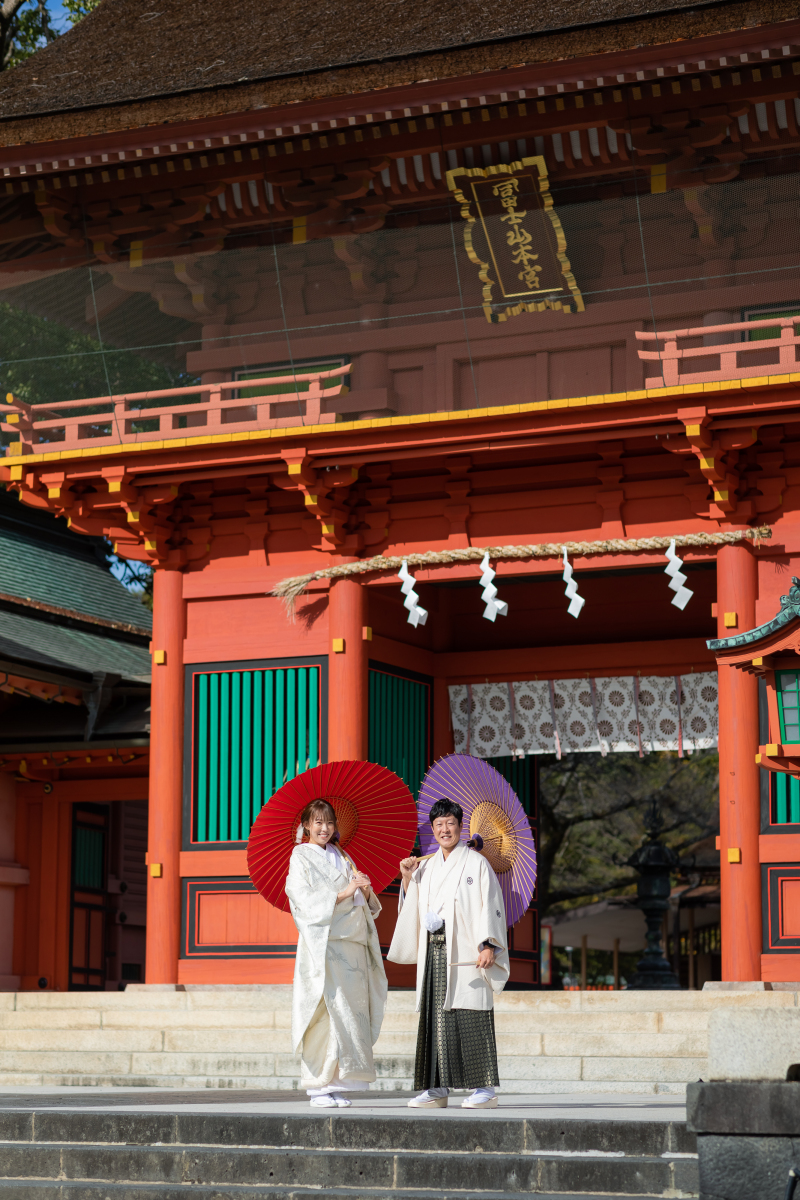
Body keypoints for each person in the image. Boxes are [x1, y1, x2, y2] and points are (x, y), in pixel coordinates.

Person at [388, 797, 508, 1110]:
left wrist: (488, 944)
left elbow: (491, 904)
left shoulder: (476, 863)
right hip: (434, 951)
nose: (445, 829)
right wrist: (407, 877)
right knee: (435, 1018)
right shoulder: (426, 866)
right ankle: (436, 1088)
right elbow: (414, 906)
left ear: (460, 826)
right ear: (433, 829)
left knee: (471, 1016)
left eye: (450, 823)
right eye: (439, 824)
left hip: (467, 951)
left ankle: (484, 1088)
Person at [285, 798, 388, 1108]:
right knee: (326, 1013)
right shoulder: (300, 856)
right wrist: (344, 892)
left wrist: (364, 890)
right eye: (318, 822)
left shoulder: (342, 855)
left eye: (329, 822)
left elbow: (365, 905)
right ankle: (318, 1086)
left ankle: (338, 1083)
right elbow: (301, 899)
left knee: (350, 1014)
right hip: (325, 944)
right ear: (306, 825)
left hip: (352, 944)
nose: (324, 828)